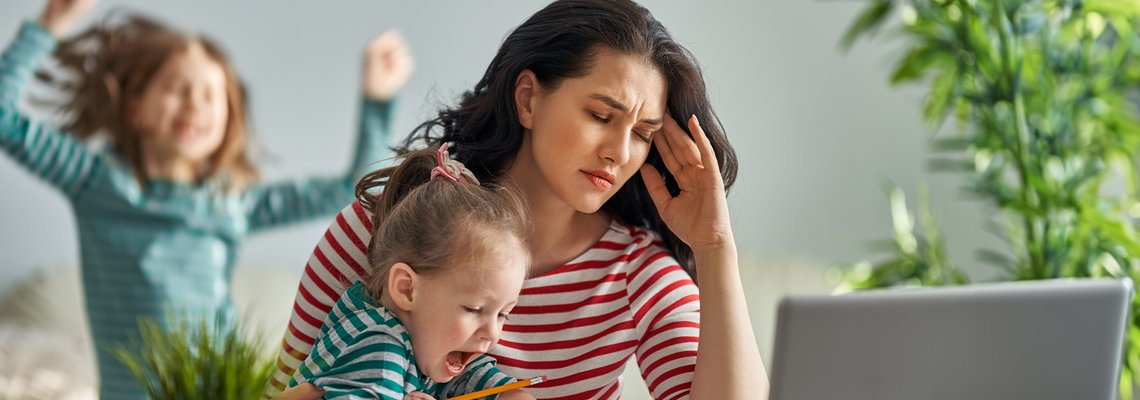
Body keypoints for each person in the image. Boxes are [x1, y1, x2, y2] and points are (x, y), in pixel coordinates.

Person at [268, 0, 768, 398]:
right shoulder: (382, 228)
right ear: (528, 99)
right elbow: (281, 389)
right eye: (600, 116)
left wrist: (715, 246)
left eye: (642, 132)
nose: (618, 151)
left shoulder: (637, 273)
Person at [0, 0, 412, 398]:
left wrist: (377, 100)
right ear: (134, 109)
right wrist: (51, 22)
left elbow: (358, 191)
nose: (195, 104)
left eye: (211, 95)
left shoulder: (231, 202)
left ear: (227, 121)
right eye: (178, 89)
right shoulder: (94, 182)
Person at [287, 144, 534, 400]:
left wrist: (511, 394)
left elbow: (471, 374)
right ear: (407, 289)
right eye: (473, 309)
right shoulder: (379, 346)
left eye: (503, 313)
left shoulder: (422, 335)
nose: (493, 334)